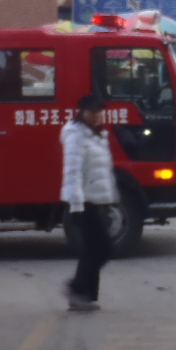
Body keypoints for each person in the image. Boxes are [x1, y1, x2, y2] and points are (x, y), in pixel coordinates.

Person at [60, 93, 119, 313]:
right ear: (82, 112)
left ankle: (85, 296)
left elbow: (103, 171)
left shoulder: (99, 135)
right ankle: (76, 288)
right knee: (102, 248)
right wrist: (76, 206)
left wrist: (109, 199)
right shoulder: (76, 136)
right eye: (92, 111)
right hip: (84, 202)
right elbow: (72, 172)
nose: (97, 115)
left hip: (96, 200)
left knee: (93, 249)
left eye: (100, 111)